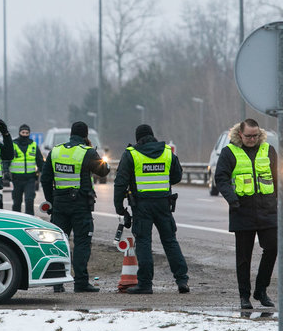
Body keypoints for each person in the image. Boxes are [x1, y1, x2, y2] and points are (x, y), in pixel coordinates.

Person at [113, 124, 190, 294]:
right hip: (163, 204)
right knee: (170, 241)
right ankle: (182, 280)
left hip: (142, 206)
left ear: (137, 138)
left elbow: (120, 182)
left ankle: (145, 284)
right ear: (152, 136)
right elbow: (177, 176)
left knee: (143, 243)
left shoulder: (131, 154)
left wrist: (120, 208)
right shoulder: (167, 152)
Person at [214, 119, 278, 309]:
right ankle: (244, 296)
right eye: (248, 136)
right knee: (243, 258)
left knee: (273, 248)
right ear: (240, 134)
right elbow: (221, 178)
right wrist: (232, 199)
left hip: (268, 210)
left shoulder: (269, 150)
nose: (252, 139)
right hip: (241, 210)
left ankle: (261, 290)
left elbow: (278, 179)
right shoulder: (229, 152)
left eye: (255, 135)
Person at [40, 121, 110, 292]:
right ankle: (81, 283)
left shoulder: (55, 151)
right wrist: (94, 153)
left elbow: (45, 179)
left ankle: (58, 283)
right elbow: (104, 171)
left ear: (71, 134)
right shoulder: (87, 152)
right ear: (85, 136)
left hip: (60, 205)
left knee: (58, 243)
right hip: (80, 205)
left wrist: (52, 202)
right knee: (82, 243)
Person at [10, 124, 44, 215]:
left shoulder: (33, 145)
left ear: (29, 133)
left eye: (27, 133)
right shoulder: (13, 145)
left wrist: (43, 172)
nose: (25, 134)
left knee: (29, 200)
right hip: (16, 179)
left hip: (30, 178)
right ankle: (16, 220)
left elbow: (40, 161)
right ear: (19, 133)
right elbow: (7, 160)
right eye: (23, 132)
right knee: (17, 202)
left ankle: (30, 219)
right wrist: (5, 171)